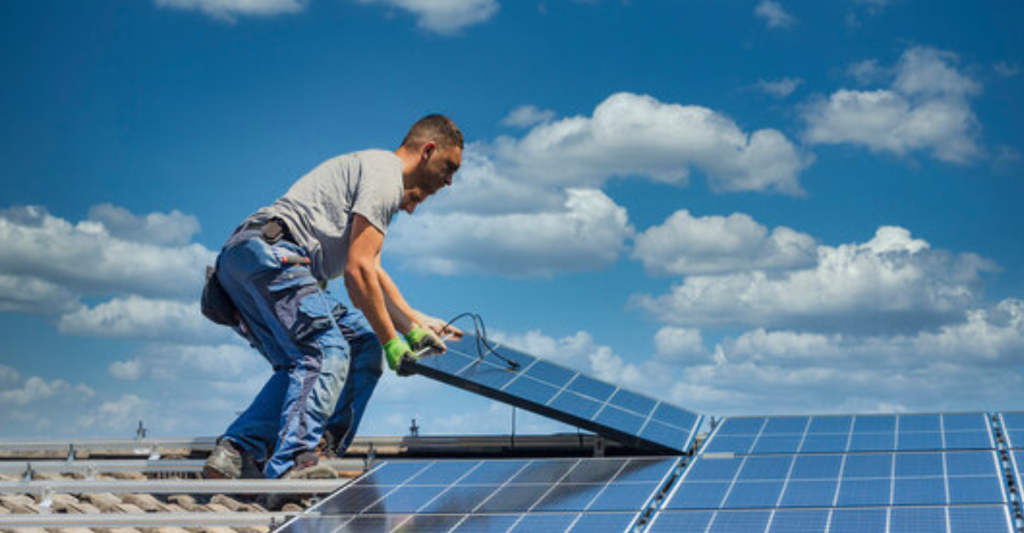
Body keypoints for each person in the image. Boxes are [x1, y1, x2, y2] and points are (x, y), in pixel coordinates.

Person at [201, 115, 464, 481]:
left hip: (247, 261)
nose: (449, 181)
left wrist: (416, 324)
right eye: (449, 167)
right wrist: (393, 342)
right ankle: (295, 461)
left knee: (356, 346)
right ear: (428, 151)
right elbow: (358, 274)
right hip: (275, 256)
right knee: (326, 350)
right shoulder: (386, 175)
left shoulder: (372, 172)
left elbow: (372, 271)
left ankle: (238, 450)